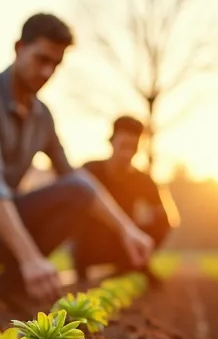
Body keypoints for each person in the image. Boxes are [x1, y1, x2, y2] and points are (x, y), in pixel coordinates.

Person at [0, 13, 154, 309]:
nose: (47, 71)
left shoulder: (42, 116)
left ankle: (9, 285)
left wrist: (127, 229)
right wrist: (31, 258)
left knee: (76, 194)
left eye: (56, 64)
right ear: (19, 48)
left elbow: (76, 180)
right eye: (41, 59)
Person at [69, 116, 179, 282]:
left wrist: (147, 226)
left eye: (133, 148)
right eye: (124, 146)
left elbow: (169, 218)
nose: (128, 154)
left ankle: (132, 264)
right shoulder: (90, 171)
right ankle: (82, 266)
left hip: (124, 244)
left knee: (163, 221)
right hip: (90, 243)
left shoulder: (142, 180)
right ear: (111, 142)